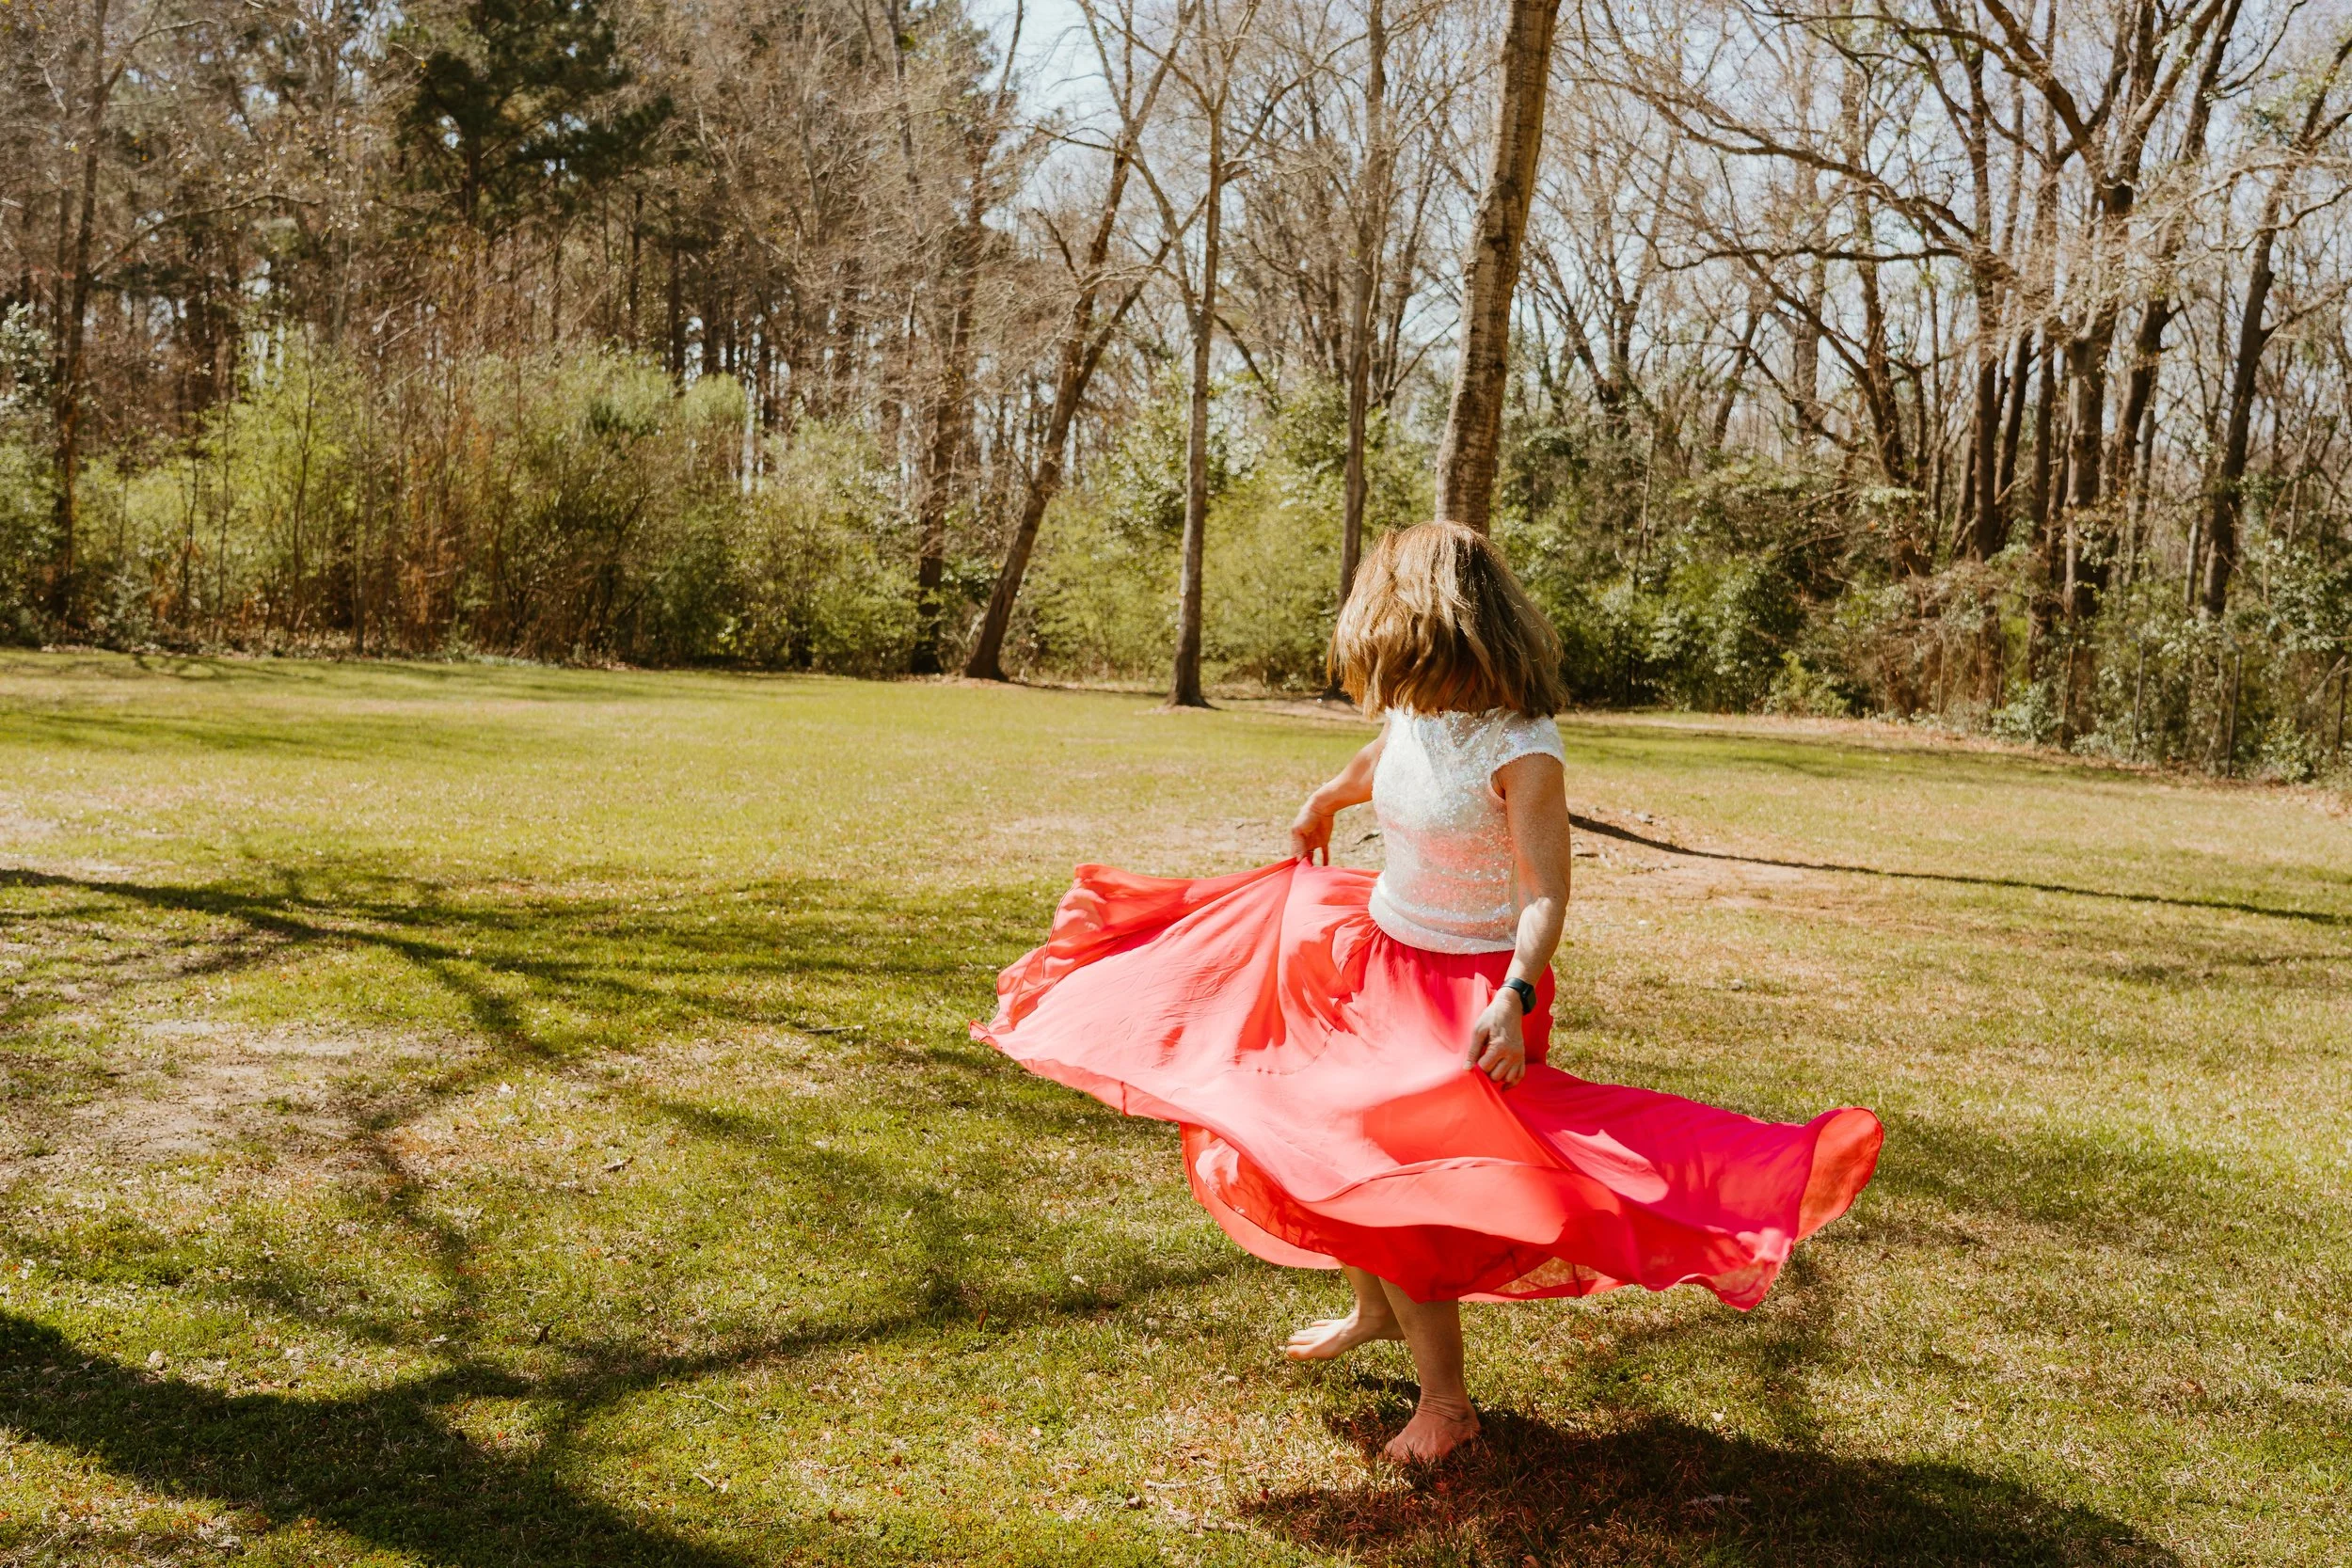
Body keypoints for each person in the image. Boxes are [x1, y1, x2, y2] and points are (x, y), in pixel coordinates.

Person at [976, 522, 1882, 1464]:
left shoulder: (1523, 746)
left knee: (1399, 1174)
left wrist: (1516, 996)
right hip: (1380, 953)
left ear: (1431, 622)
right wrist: (1323, 800)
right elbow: (1382, 761)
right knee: (1325, 1130)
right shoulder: (1419, 709)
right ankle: (1375, 1306)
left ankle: (1446, 1405)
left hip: (1472, 990)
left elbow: (1543, 893)